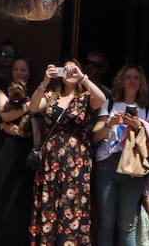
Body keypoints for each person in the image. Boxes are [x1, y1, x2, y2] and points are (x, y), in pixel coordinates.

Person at [27, 58, 108, 246]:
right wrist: (45, 81)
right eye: (66, 69)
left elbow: (102, 99)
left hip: (76, 161)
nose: (70, 72)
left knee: (72, 205)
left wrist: (84, 78)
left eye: (74, 69)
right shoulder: (51, 96)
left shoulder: (86, 97)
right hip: (51, 159)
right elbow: (32, 107)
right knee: (49, 203)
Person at [93, 64, 149, 246]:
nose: (132, 80)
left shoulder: (146, 110)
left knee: (127, 224)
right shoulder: (109, 103)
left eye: (136, 77)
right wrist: (110, 124)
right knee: (106, 223)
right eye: (128, 77)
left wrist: (137, 126)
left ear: (141, 83)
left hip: (133, 165)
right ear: (121, 81)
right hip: (107, 162)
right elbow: (96, 135)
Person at [0, 57, 35, 246]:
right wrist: (28, 107)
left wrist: (23, 131)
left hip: (25, 148)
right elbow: (5, 113)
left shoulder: (36, 94)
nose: (19, 72)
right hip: (6, 148)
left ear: (29, 74)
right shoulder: (3, 90)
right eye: (16, 69)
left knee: (21, 197)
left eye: (23, 70)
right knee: (1, 193)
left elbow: (39, 123)